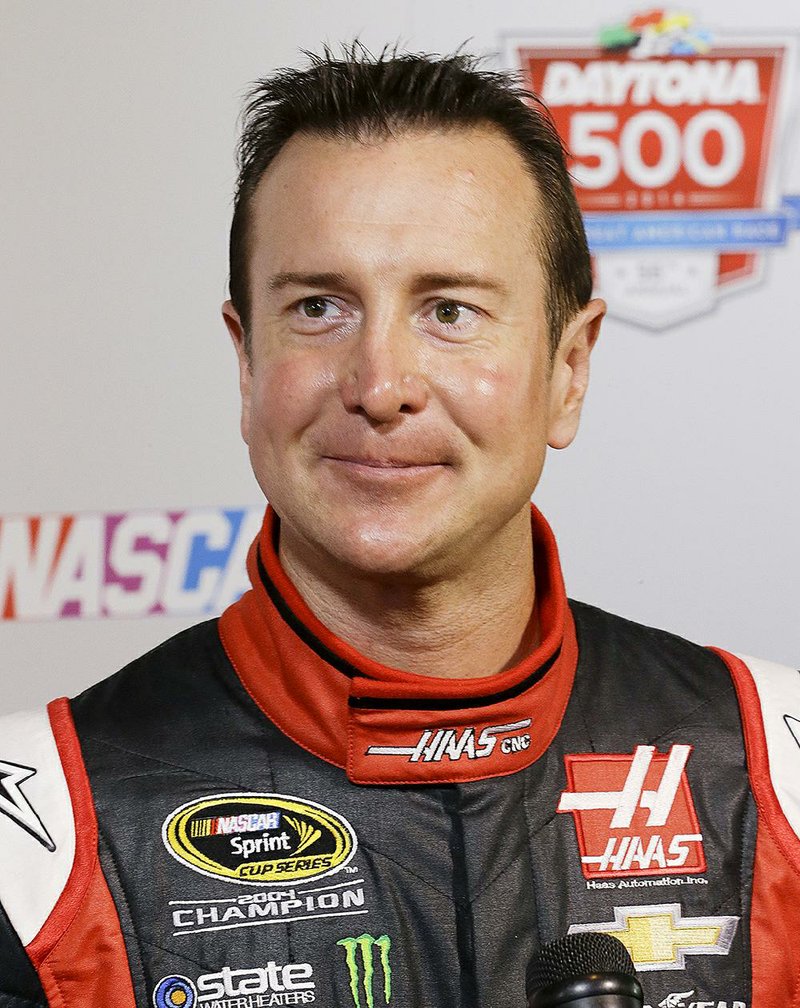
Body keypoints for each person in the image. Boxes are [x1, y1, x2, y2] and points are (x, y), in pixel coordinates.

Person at [0, 48, 798, 1008]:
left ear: (569, 369)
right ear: (246, 363)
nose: (380, 387)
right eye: (319, 308)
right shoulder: (40, 839)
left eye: (450, 310)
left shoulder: (775, 769)